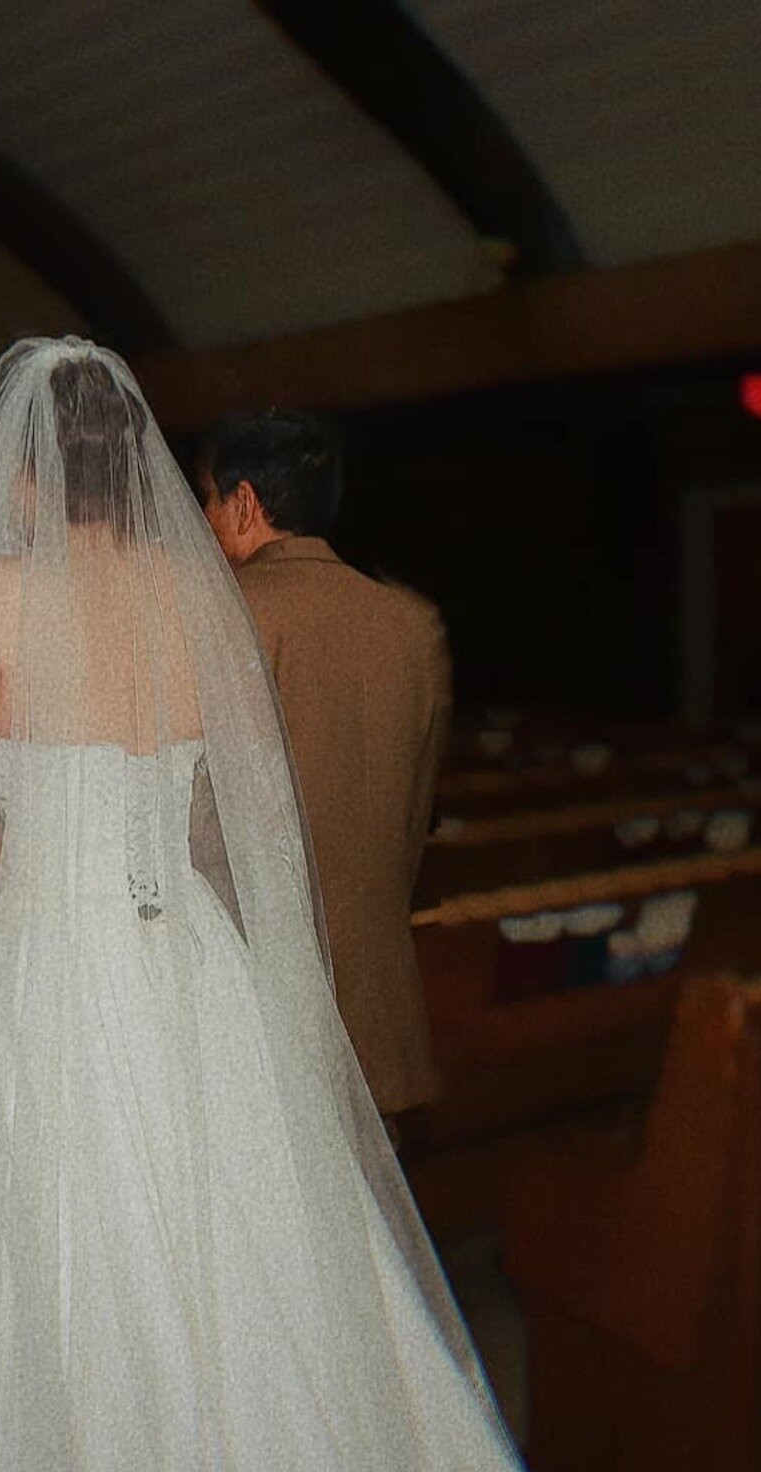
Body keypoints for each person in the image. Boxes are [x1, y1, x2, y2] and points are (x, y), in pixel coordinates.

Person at [0, 338, 647, 1472]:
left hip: (62, 979)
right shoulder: (193, 587)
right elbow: (241, 819)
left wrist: (51, 849)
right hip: (199, 979)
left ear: (28, 473)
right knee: (240, 1279)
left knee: (78, 1291)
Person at [196, 410, 449, 1128]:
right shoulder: (408, 620)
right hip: (377, 1002)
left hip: (263, 1010)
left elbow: (203, 820)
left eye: (207, 501)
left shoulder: (229, 611)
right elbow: (412, 822)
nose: (203, 522)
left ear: (244, 503)